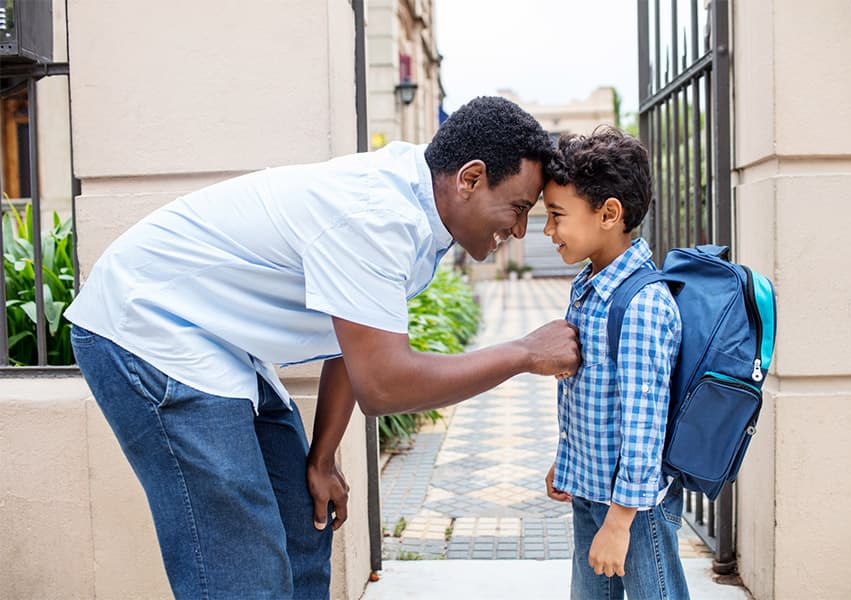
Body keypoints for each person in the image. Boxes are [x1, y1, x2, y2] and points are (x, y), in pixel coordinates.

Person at [65, 96, 581, 599]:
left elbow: (353, 341)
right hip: (148, 329)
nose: (518, 229)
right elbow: (383, 384)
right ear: (469, 179)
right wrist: (523, 353)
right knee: (246, 573)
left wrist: (324, 456)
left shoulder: (416, 204)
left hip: (218, 344)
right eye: (517, 208)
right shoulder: (377, 216)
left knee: (302, 527)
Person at [541, 126, 689, 599]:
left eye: (556, 216)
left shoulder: (642, 303)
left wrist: (620, 522)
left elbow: (643, 422)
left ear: (608, 214)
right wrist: (567, 462)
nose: (547, 231)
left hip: (635, 509)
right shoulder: (588, 287)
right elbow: (587, 391)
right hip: (591, 494)